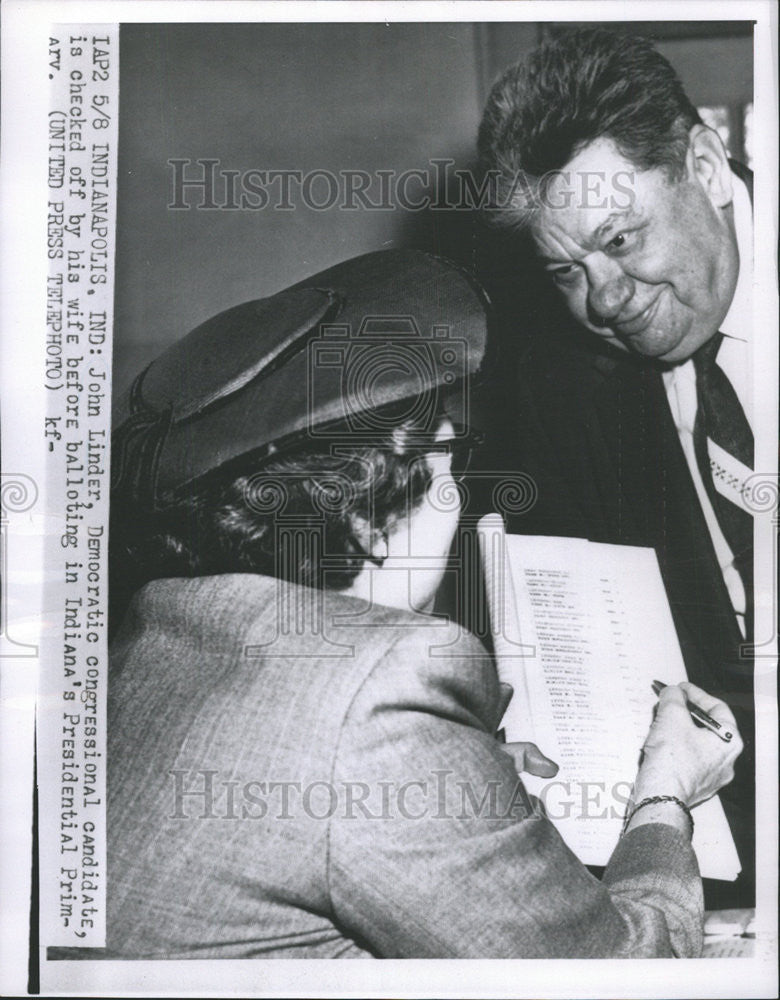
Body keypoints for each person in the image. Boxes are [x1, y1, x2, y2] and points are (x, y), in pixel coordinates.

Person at [74, 249, 740, 960]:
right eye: (455, 463)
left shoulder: (146, 637)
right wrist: (664, 792)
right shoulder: (382, 693)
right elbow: (620, 975)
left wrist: (450, 773)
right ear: (366, 520)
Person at [477, 27, 756, 906]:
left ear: (706, 167)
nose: (602, 298)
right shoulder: (554, 376)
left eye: (624, 240)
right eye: (566, 269)